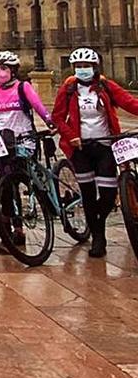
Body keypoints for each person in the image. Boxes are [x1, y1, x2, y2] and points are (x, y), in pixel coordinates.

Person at [52, 47, 138, 257]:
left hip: (105, 145)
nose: (83, 70)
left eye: (87, 66)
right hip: (80, 148)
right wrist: (71, 135)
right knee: (88, 194)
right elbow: (57, 117)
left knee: (108, 194)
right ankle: (99, 238)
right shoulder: (69, 89)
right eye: (79, 66)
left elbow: (129, 102)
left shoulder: (105, 86)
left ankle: (95, 220)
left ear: (95, 67)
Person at [0, 50, 54, 242]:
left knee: (16, 178)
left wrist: (49, 121)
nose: (0, 72)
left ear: (13, 71)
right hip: (1, 142)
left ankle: (20, 220)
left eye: (4, 68)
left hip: (23, 139)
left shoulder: (23, 88)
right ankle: (12, 225)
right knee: (5, 184)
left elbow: (38, 106)